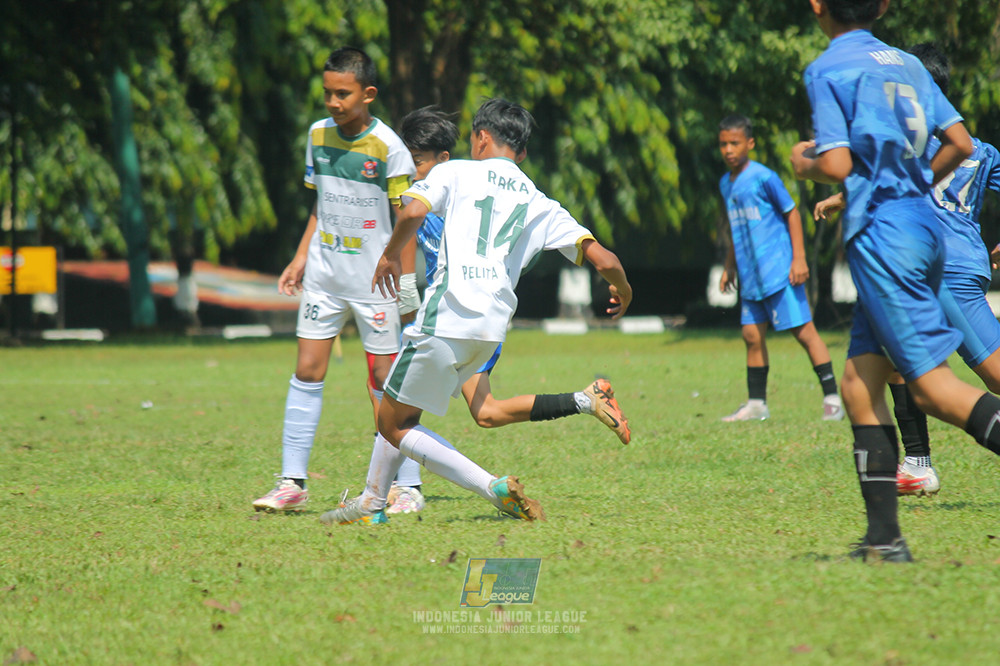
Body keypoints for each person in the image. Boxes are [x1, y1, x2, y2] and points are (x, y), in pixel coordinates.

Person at [319, 98, 633, 526]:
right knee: (415, 409)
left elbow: (413, 210)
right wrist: (623, 290)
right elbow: (605, 260)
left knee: (392, 422)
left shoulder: (455, 171)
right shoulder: (540, 200)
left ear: (481, 137)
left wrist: (390, 255)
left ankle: (489, 488)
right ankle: (372, 500)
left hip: (447, 314)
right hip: (490, 329)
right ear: (520, 152)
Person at [790, 0, 1000, 563]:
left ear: (817, 7)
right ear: (881, 6)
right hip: (923, 230)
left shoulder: (829, 67)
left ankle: (887, 541)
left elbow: (835, 164)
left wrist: (804, 162)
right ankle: (884, 540)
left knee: (933, 389)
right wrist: (910, 184)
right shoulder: (907, 62)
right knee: (861, 382)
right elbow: (959, 144)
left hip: (884, 240)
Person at [252, 47, 419, 512]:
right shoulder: (317, 136)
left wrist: (405, 287)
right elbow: (320, 205)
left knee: (384, 380)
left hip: (375, 285)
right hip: (325, 278)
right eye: (326, 92)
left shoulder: (389, 148)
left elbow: (406, 221)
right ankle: (292, 483)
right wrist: (301, 256)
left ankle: (407, 485)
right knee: (307, 370)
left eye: (342, 93)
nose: (332, 101)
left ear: (367, 94)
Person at [716, 114, 843, 423]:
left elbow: (792, 213)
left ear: (750, 143)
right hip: (750, 276)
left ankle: (832, 399)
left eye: (734, 143)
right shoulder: (725, 184)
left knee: (804, 332)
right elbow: (735, 229)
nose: (729, 150)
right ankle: (757, 404)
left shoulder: (764, 177)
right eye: (723, 144)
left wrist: (798, 258)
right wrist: (729, 267)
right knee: (751, 336)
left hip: (779, 272)